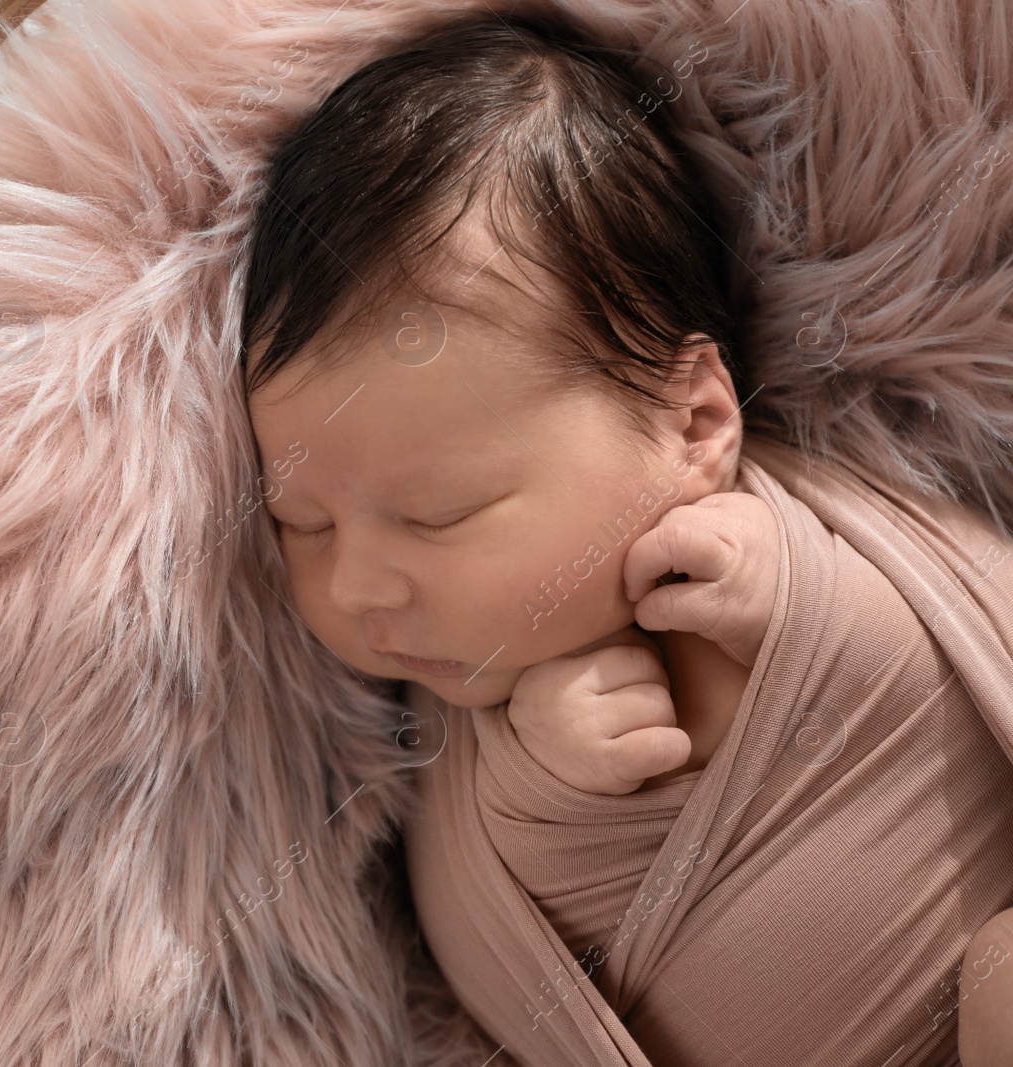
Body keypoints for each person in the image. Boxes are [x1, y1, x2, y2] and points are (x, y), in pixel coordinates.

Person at [241, 7, 1013, 1064]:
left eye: (440, 514)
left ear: (693, 422)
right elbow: (491, 943)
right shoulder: (457, 742)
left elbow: (973, 626)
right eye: (303, 521)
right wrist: (541, 788)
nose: (361, 584)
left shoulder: (820, 540)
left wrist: (814, 605)